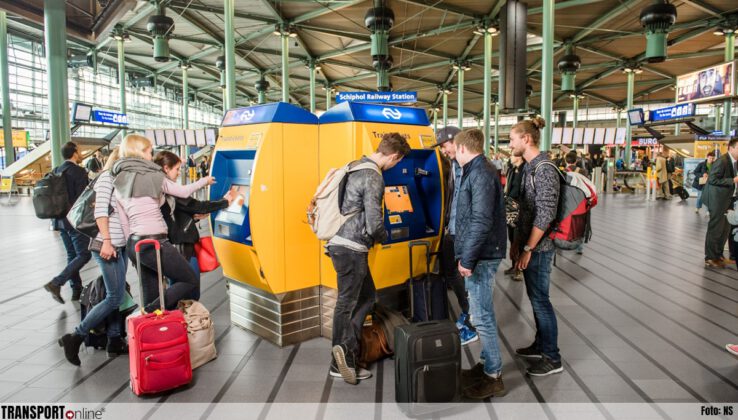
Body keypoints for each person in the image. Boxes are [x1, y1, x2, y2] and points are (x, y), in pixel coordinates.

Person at [329, 133, 411, 385]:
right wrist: (385, 237)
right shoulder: (374, 175)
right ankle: (342, 357)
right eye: (397, 163)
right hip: (353, 248)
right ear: (394, 156)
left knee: (365, 297)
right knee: (348, 303)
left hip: (339, 243)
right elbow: (375, 223)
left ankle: (346, 351)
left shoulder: (354, 166)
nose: (395, 167)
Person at [112, 135, 214, 313]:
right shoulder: (153, 175)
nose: (152, 157)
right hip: (155, 242)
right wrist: (205, 181)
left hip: (134, 243)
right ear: (140, 152)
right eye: (150, 152)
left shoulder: (119, 180)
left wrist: (132, 249)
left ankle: (151, 322)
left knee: (151, 291)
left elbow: (124, 221)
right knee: (189, 279)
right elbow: (183, 191)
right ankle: (149, 311)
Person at [58, 148, 129, 366]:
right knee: (114, 296)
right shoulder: (107, 178)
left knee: (118, 291)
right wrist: (107, 241)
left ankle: (115, 338)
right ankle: (75, 337)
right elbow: (100, 213)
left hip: (119, 243)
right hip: (106, 244)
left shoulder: (121, 181)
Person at [452, 129, 507, 399]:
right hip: (481, 252)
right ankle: (487, 363)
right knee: (483, 312)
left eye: (453, 149)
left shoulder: (481, 173)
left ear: (463, 148)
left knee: (481, 317)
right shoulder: (478, 170)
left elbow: (481, 220)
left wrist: (468, 258)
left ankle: (493, 374)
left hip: (482, 255)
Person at [509, 117, 563, 377]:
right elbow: (526, 211)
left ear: (526, 139)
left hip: (540, 249)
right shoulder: (530, 167)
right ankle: (541, 344)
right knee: (535, 298)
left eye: (512, 139)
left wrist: (529, 249)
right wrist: (518, 243)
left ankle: (552, 358)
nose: (510, 145)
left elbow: (545, 214)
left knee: (541, 301)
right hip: (530, 244)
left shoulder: (544, 169)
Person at [154, 151, 232, 300]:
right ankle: (187, 319)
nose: (178, 173)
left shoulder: (160, 187)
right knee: (190, 287)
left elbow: (176, 214)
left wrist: (193, 217)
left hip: (173, 244)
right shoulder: (171, 189)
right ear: (166, 168)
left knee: (177, 287)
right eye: (176, 169)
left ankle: (179, 318)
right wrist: (225, 201)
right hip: (182, 247)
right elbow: (198, 206)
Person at [434, 126, 478, 345]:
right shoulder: (452, 165)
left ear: (456, 142)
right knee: (451, 272)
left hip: (463, 232)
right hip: (451, 229)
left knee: (466, 279)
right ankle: (467, 312)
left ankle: (472, 322)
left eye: (444, 145)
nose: (443, 150)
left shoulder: (471, 169)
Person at [44, 142, 91, 304]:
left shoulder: (56, 170)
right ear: (75, 153)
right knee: (85, 254)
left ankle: (76, 290)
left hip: (59, 220)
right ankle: (57, 282)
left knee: (72, 255)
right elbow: (84, 198)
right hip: (74, 220)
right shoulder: (79, 172)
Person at [703, 140, 738, 268]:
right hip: (717, 200)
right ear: (731, 148)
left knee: (725, 230)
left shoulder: (734, 162)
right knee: (715, 229)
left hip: (728, 200)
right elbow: (712, 179)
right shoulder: (722, 161)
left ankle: (718, 256)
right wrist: (733, 180)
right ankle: (710, 258)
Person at [503, 154, 525, 281]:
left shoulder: (525, 171)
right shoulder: (511, 170)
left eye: (512, 155)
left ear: (519, 157)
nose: (510, 156)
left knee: (519, 239)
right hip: (510, 208)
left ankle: (519, 270)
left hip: (520, 209)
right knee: (511, 238)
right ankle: (513, 265)